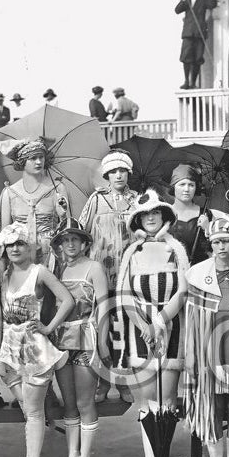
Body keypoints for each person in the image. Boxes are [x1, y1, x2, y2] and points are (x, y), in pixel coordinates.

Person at [0, 223, 74, 457]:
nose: (15, 248)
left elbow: (67, 300)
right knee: (27, 410)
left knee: (35, 411)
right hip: (9, 349)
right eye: (10, 244)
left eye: (20, 243)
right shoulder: (3, 274)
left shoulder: (39, 272)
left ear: (30, 246)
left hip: (35, 349)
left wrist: (49, 328)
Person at [115, 191, 189, 457]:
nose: (150, 218)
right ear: (138, 219)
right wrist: (143, 324)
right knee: (146, 402)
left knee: (166, 401)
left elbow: (184, 290)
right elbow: (123, 293)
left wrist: (160, 319)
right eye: (144, 215)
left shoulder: (177, 249)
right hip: (139, 330)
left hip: (171, 328)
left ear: (165, 216)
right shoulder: (132, 252)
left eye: (155, 213)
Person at [183, 219, 229, 457]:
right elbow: (185, 311)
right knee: (212, 409)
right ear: (210, 245)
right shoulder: (197, 274)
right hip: (207, 348)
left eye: (226, 241)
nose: (221, 246)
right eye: (216, 242)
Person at [49, 221, 108, 457]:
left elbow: (104, 307)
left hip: (86, 337)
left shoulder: (95, 267)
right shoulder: (57, 268)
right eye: (65, 240)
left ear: (85, 243)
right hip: (62, 340)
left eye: (75, 239)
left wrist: (103, 343)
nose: (70, 245)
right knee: (69, 403)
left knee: (85, 402)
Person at [79, 150, 139, 402]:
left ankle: (123, 382)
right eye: (113, 171)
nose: (118, 175)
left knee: (124, 329)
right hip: (101, 275)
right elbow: (81, 231)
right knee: (102, 328)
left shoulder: (138, 199)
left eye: (122, 170)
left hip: (129, 275)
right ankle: (103, 382)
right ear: (106, 175)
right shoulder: (96, 199)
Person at [0, 139, 71, 266]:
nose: (38, 162)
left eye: (41, 157)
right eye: (33, 158)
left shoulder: (57, 188)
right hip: (21, 254)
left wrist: (63, 215)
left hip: (50, 254)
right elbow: (5, 235)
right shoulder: (9, 192)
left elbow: (68, 229)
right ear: (22, 161)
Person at [175, 0, 217, 90]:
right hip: (188, 33)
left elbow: (212, 4)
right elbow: (177, 10)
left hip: (199, 33)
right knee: (186, 57)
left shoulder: (204, 0)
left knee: (198, 58)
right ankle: (186, 81)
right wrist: (183, 0)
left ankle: (193, 82)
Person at [167, 164, 213, 265]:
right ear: (173, 187)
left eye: (191, 185)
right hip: (171, 271)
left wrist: (208, 229)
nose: (186, 189)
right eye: (182, 184)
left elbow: (213, 248)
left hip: (199, 270)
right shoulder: (165, 213)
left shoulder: (204, 214)